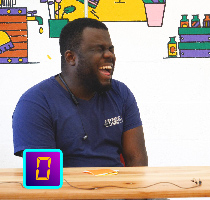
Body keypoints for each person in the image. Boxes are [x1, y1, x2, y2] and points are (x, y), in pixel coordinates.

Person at [12, 18, 148, 168]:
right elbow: (44, 177)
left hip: (118, 189)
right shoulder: (35, 103)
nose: (110, 55)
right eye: (99, 49)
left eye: (111, 49)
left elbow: (137, 160)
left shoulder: (121, 93)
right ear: (71, 57)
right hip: (65, 190)